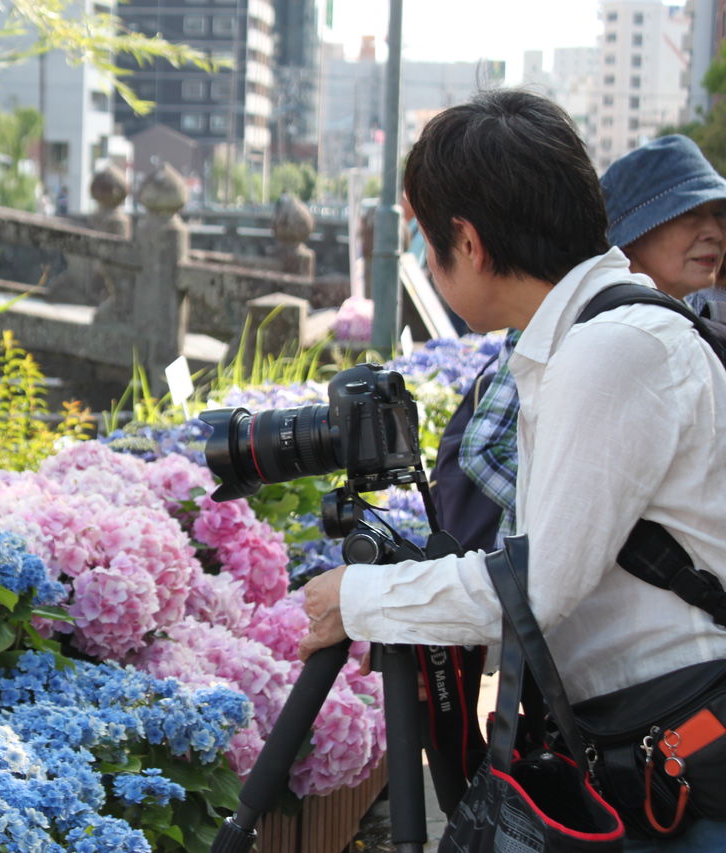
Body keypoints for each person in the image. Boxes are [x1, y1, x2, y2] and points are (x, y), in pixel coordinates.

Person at [296, 90, 726, 850]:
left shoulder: (609, 350)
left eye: (428, 240)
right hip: (653, 740)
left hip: (686, 753)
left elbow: (535, 589)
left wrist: (357, 597)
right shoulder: (585, 338)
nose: (431, 260)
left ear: (466, 241)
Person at [447, 133, 726, 545]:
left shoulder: (696, 318)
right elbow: (487, 448)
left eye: (719, 214)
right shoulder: (568, 316)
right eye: (690, 215)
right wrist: (592, 530)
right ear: (636, 229)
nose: (713, 232)